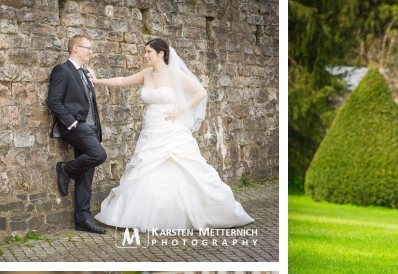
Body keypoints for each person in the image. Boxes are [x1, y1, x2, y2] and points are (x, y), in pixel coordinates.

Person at [87, 38, 254, 230]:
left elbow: (201, 92)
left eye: (148, 52)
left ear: (161, 54)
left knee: (186, 168)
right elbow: (123, 81)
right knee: (146, 169)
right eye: (145, 51)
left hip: (172, 129)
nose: (145, 55)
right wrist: (97, 80)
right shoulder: (146, 74)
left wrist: (181, 109)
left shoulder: (176, 74)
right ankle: (146, 215)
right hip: (151, 130)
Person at [46, 35, 107, 234]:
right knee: (99, 155)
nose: (91, 51)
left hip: (89, 128)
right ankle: (65, 169)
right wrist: (71, 123)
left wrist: (97, 134)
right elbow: (53, 101)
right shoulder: (62, 70)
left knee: (87, 174)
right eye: (87, 48)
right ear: (74, 48)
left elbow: (91, 105)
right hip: (75, 125)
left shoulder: (85, 73)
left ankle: (83, 219)